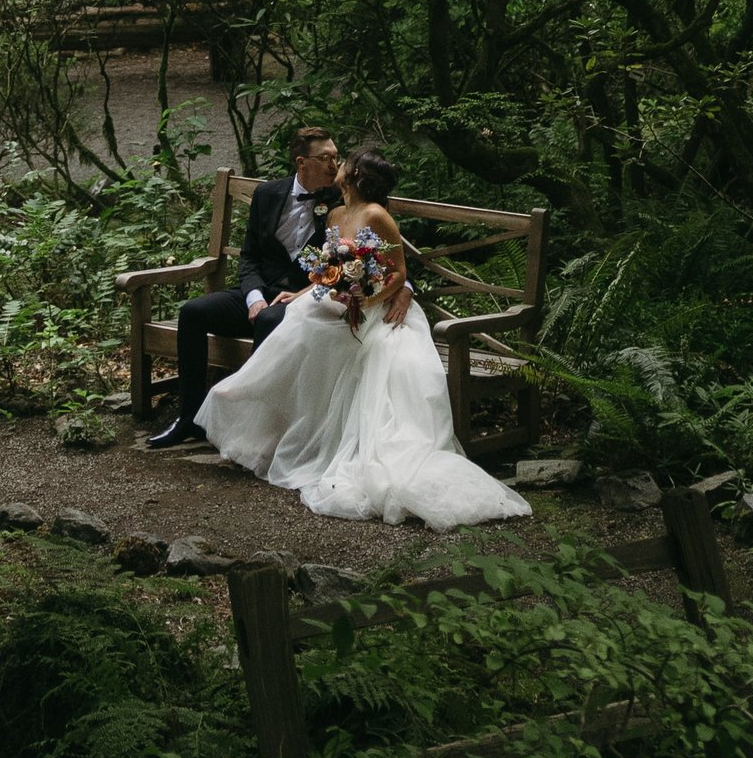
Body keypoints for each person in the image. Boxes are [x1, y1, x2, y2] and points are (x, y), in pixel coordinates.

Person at [199, 147, 532, 532]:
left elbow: (397, 272)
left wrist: (365, 299)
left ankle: (290, 427)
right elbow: (328, 270)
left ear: (356, 176)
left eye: (344, 163)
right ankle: (259, 416)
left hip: (373, 310)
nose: (337, 166)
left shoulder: (376, 215)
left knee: (315, 335)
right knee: (295, 322)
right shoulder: (336, 214)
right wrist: (305, 292)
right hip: (336, 302)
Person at [147, 123, 343, 449]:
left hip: (303, 301)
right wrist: (253, 297)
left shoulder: (340, 201)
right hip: (258, 293)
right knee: (193, 312)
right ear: (301, 163)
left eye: (336, 156)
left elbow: (340, 265)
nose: (334, 165)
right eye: (325, 158)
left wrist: (296, 297)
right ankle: (189, 418)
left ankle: (250, 427)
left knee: (269, 320)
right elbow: (249, 257)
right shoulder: (268, 195)